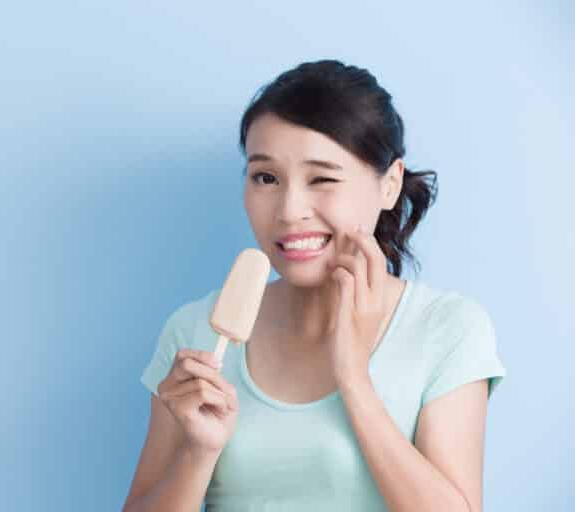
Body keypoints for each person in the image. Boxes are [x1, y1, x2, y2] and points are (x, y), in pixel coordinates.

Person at [123, 59, 507, 512]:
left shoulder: (447, 329)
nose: (289, 210)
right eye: (266, 178)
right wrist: (197, 452)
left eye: (322, 178)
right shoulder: (194, 334)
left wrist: (353, 377)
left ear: (390, 184)